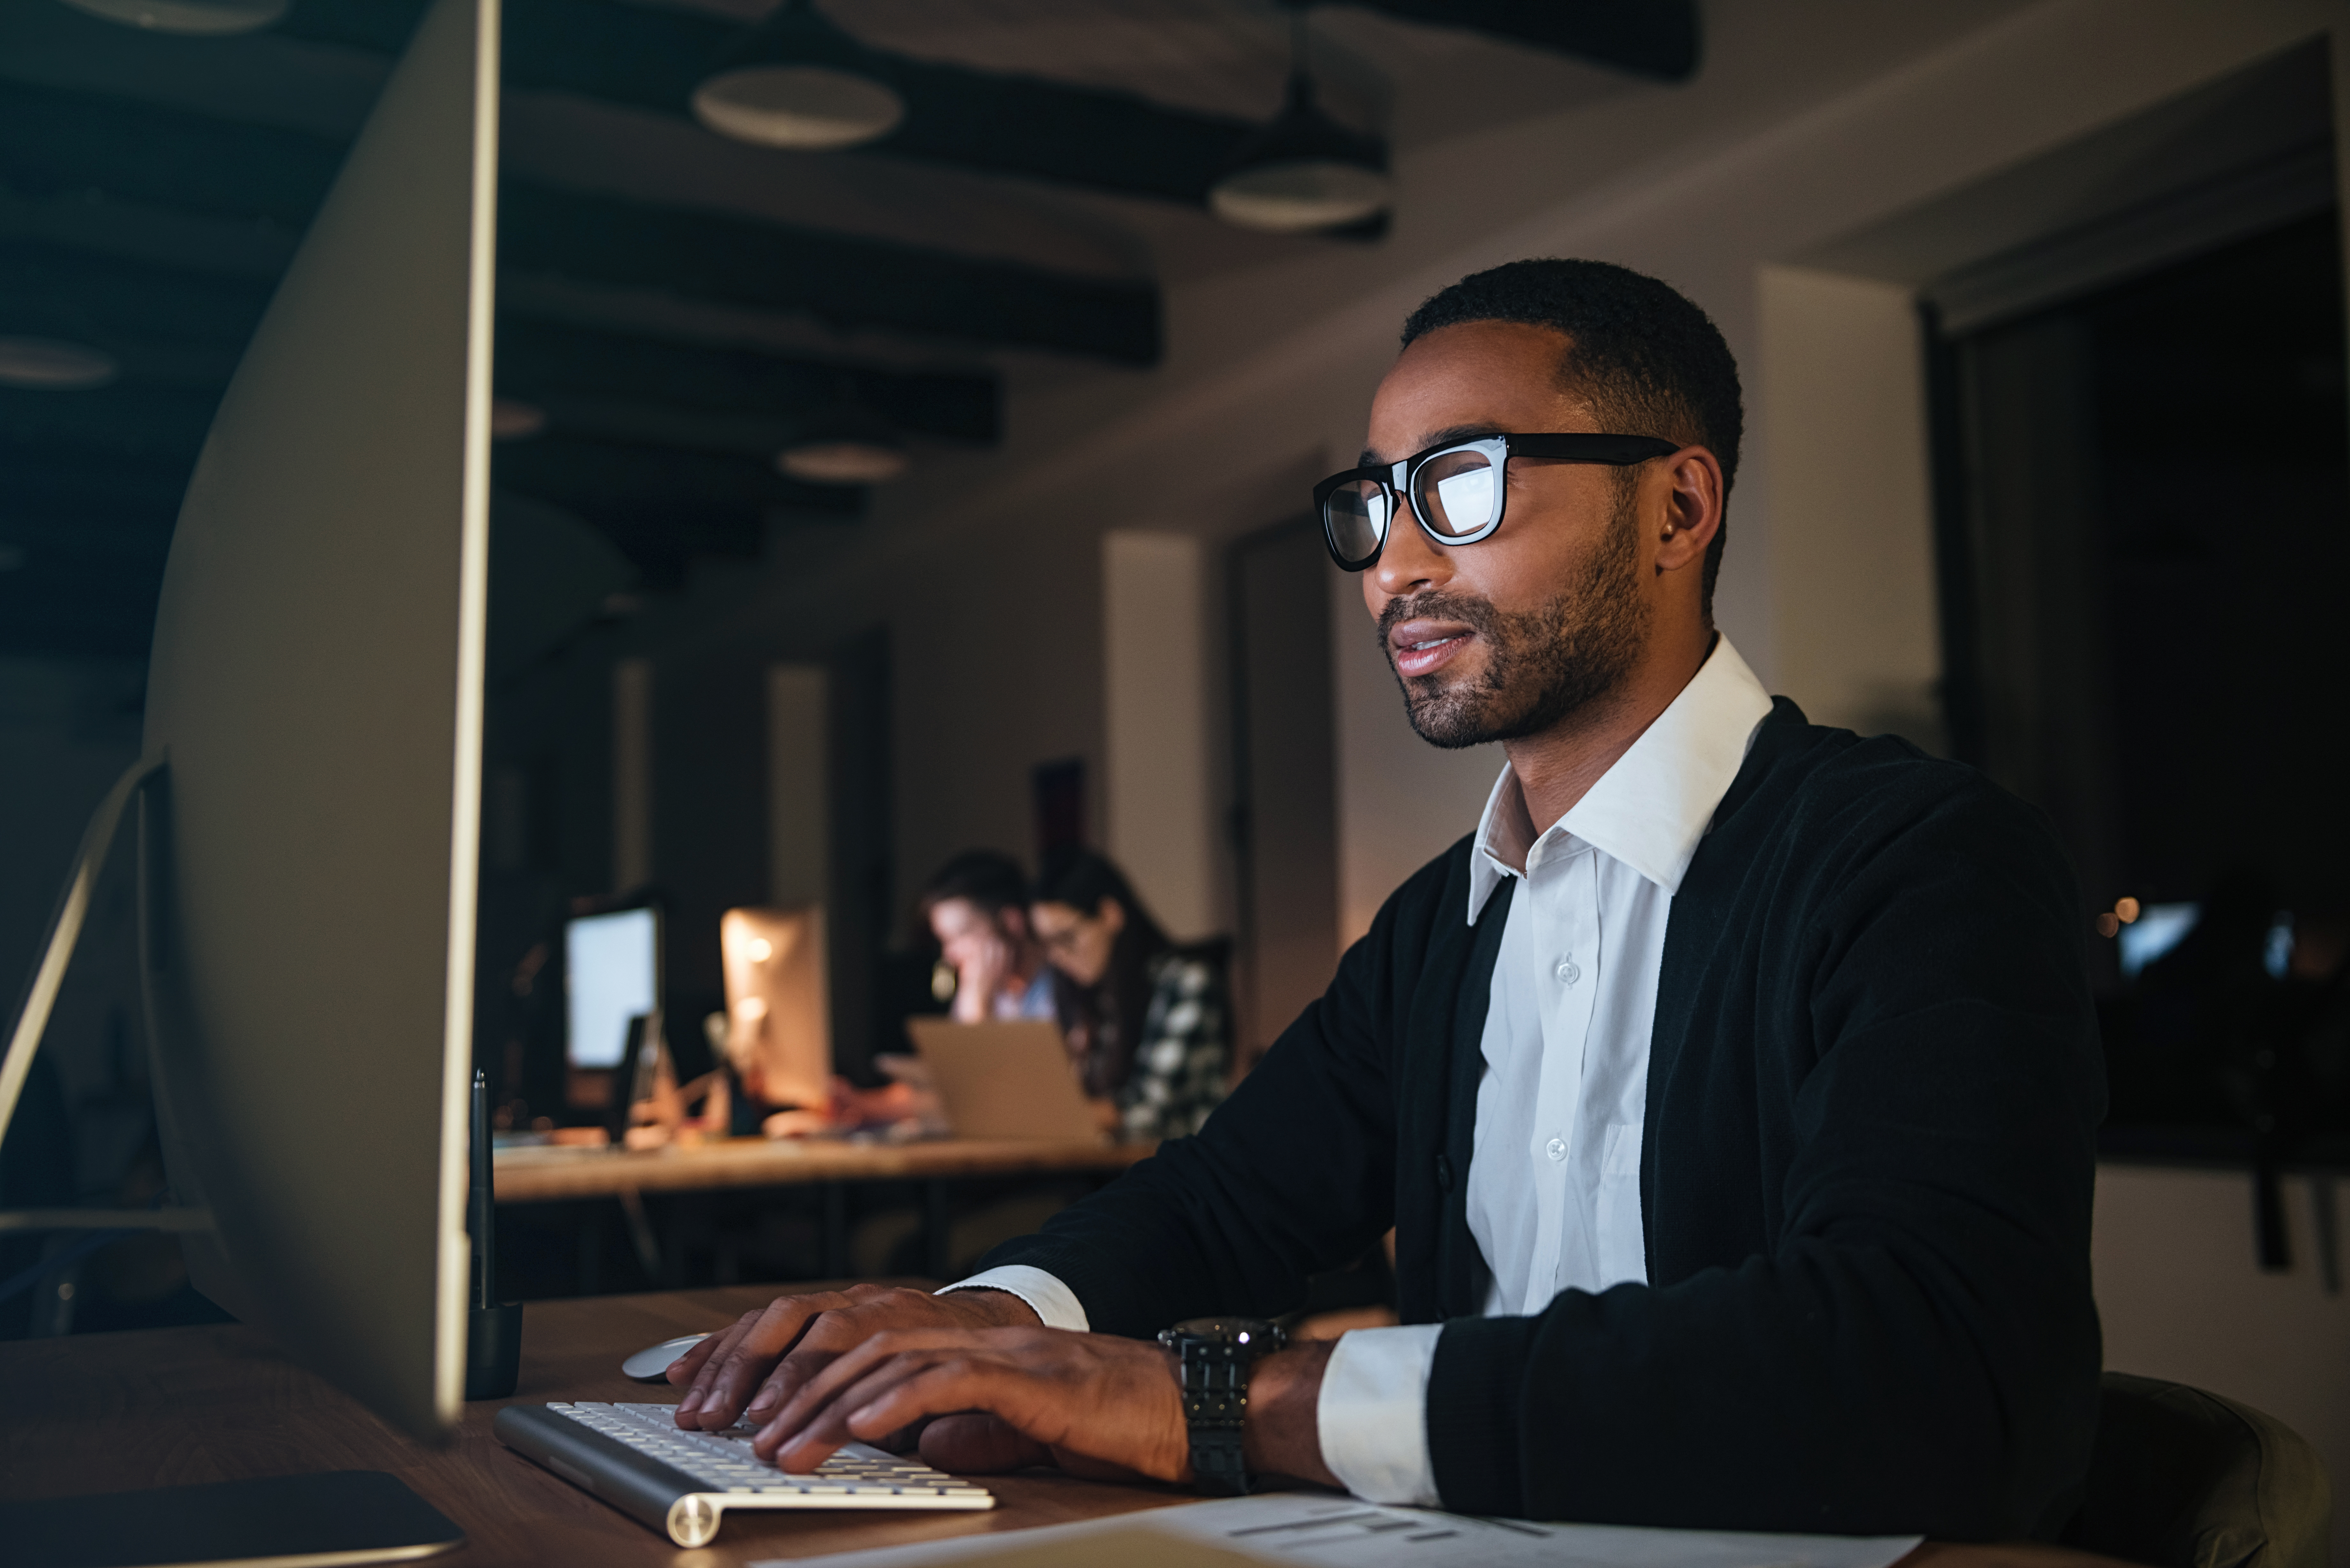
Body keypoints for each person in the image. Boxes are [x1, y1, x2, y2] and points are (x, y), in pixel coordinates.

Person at [664, 259, 2105, 1539]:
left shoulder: (1917, 861)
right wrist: (970, 1321)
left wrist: (1215, 1400)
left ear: (1678, 503)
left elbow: (1922, 1359)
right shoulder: (1441, 925)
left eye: (1460, 483)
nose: (1395, 566)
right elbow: (1224, 1198)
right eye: (1375, 500)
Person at [1029, 848, 1227, 1142]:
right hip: (1106, 1169)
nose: (1057, 956)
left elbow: (1152, 1110)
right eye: (1047, 945)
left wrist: (1061, 1116)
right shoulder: (1092, 1000)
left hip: (1178, 1172)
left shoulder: (1186, 982)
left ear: (1110, 915)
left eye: (1066, 938)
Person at [918, 851, 1057, 1026]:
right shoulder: (976, 991)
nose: (949, 955)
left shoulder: (1063, 992)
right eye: (944, 940)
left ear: (1012, 923)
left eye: (961, 935)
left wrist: (979, 1011)